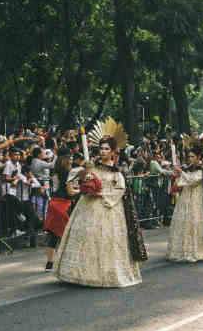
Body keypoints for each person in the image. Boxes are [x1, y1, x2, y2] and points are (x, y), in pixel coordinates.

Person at [53, 120, 147, 287]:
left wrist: (104, 196)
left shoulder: (117, 172)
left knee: (105, 240)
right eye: (101, 148)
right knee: (86, 236)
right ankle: (77, 272)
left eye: (106, 149)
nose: (103, 151)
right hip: (88, 206)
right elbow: (74, 178)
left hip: (108, 207)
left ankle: (103, 274)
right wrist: (85, 179)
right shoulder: (91, 166)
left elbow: (121, 189)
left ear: (113, 152)